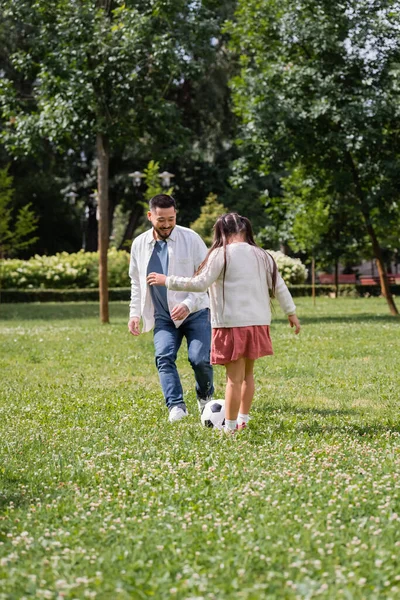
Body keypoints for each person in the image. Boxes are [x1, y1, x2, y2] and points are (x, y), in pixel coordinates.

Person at [147, 212, 301, 434]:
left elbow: (200, 283)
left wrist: (167, 280)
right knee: (248, 375)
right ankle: (243, 420)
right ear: (245, 230)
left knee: (233, 380)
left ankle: (229, 428)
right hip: (257, 325)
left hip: (232, 325)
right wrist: (291, 313)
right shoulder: (263, 255)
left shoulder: (221, 254)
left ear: (223, 232)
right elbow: (279, 287)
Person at [128, 194, 214, 423]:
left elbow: (205, 279)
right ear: (150, 216)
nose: (166, 225)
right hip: (163, 316)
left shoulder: (192, 239)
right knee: (163, 356)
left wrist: (187, 305)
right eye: (161, 220)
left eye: (171, 219)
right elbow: (136, 282)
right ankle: (176, 406)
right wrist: (134, 314)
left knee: (199, 359)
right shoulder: (139, 245)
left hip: (196, 311)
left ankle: (205, 399)